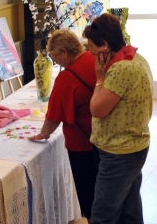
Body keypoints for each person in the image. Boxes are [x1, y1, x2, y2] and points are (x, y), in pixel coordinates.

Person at [82, 13, 153, 224]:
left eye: (92, 47)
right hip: (134, 146)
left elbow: (97, 109)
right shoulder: (136, 58)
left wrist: (100, 78)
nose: (90, 51)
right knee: (129, 211)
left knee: (103, 214)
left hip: (120, 152)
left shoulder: (121, 69)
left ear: (104, 45)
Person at [28, 29, 98, 223]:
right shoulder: (95, 60)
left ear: (65, 52)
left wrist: (42, 134)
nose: (55, 61)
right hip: (101, 139)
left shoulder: (67, 78)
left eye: (55, 56)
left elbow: (53, 117)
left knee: (88, 194)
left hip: (81, 145)